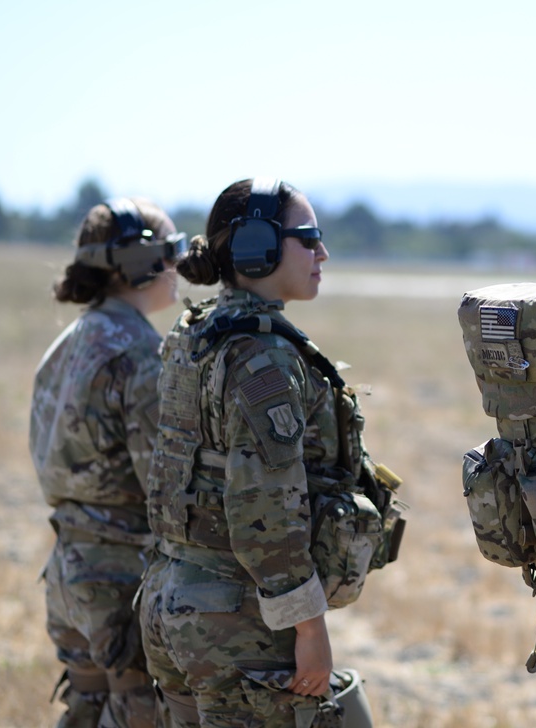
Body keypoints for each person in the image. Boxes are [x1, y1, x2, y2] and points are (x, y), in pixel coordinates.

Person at [139, 178, 382, 727]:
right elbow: (263, 510)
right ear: (257, 247)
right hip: (237, 619)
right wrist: (309, 627)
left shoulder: (194, 333)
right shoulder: (264, 358)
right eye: (308, 237)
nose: (322, 252)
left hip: (170, 597)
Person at [29, 197, 187, 726]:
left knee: (85, 712)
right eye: (173, 251)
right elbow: (161, 488)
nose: (182, 265)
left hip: (67, 572)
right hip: (119, 578)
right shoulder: (139, 352)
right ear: (140, 264)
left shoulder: (67, 343)